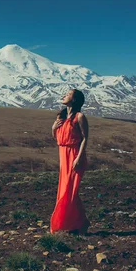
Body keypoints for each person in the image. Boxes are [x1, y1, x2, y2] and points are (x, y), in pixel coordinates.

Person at [50, 88, 90, 234]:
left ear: (74, 99)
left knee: (70, 191)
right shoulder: (61, 117)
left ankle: (73, 223)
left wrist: (79, 157)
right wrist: (53, 128)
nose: (64, 95)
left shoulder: (79, 117)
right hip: (63, 156)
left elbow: (85, 138)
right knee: (66, 191)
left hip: (74, 155)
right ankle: (79, 223)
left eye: (67, 94)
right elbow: (59, 139)